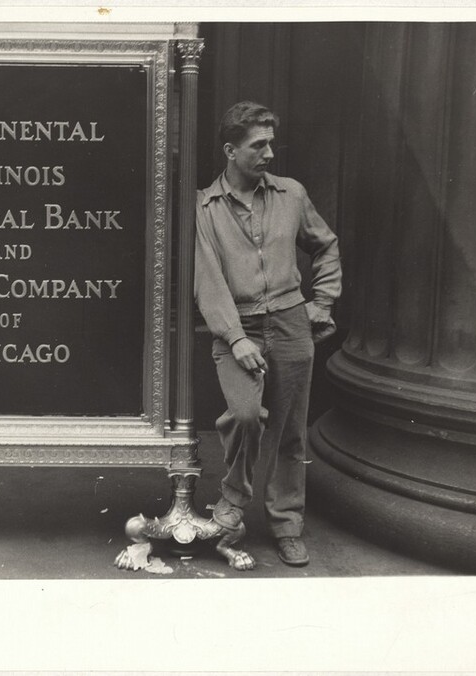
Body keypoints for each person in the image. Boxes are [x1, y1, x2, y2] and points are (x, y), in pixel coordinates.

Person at [194, 101, 341, 568]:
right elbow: (208, 279)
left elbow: (326, 245)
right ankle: (234, 499)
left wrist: (323, 301)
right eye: (258, 145)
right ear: (230, 150)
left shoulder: (291, 194)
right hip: (238, 328)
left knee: (290, 429)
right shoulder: (205, 207)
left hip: (292, 323)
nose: (269, 154)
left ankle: (286, 525)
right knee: (244, 415)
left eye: (271, 143)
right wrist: (235, 337)